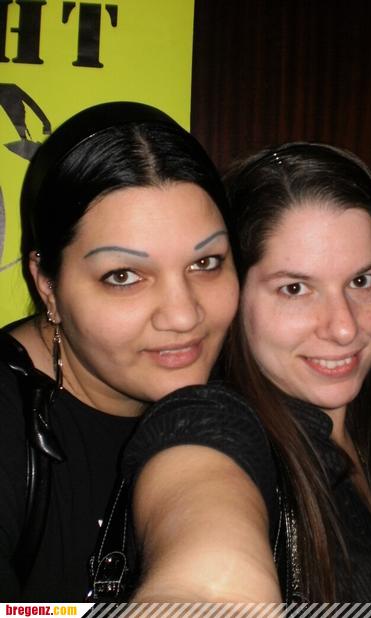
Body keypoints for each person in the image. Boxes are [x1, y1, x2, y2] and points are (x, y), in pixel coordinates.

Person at [122, 143, 371, 602]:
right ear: (234, 293)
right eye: (295, 288)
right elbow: (204, 567)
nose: (344, 327)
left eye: (362, 281)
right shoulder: (214, 423)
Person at [0, 101, 239, 601]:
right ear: (47, 284)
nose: (183, 316)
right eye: (124, 276)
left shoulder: (246, 385)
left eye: (206, 263)